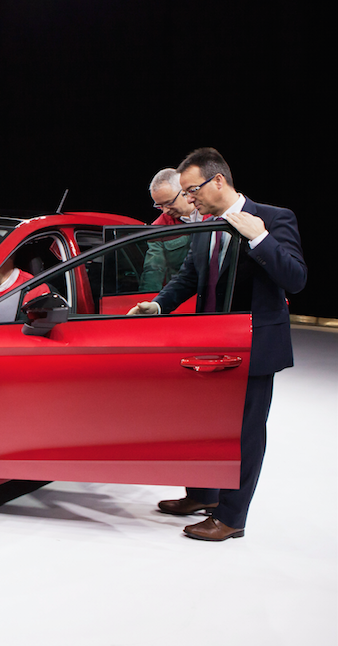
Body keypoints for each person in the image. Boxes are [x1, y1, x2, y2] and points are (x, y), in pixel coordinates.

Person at [128, 147, 306, 541]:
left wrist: (260, 238)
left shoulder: (273, 219)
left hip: (252, 346)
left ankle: (231, 517)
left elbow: (295, 278)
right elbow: (189, 278)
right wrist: (158, 305)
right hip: (208, 344)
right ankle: (203, 494)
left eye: (193, 191)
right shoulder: (205, 226)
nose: (189, 200)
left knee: (245, 432)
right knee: (202, 423)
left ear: (218, 181)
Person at [141, 168, 202, 291]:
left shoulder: (213, 213)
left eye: (169, 203)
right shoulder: (159, 227)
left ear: (184, 191)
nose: (165, 211)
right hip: (182, 294)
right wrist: (148, 299)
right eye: (160, 206)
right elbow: (153, 268)